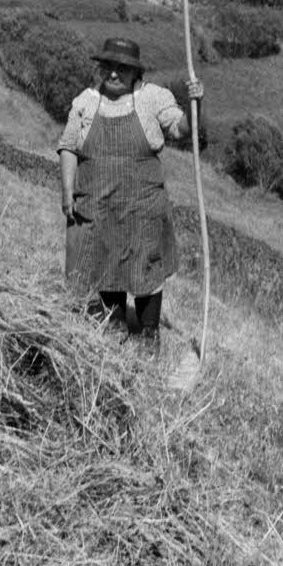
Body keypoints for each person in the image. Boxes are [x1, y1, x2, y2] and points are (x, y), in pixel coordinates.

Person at [56, 37, 204, 351]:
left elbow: (180, 130)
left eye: (122, 68)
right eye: (108, 66)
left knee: (145, 266)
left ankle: (149, 334)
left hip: (143, 204)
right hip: (99, 202)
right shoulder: (86, 101)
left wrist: (195, 104)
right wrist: (68, 191)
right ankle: (115, 324)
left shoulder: (151, 97)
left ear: (135, 71)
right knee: (106, 263)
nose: (114, 74)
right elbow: (68, 146)